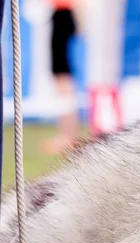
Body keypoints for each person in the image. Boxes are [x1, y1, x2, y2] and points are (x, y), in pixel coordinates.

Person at [41, 0, 81, 154]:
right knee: (62, 76)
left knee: (62, 76)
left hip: (63, 14)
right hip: (62, 14)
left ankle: (68, 136)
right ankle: (67, 135)